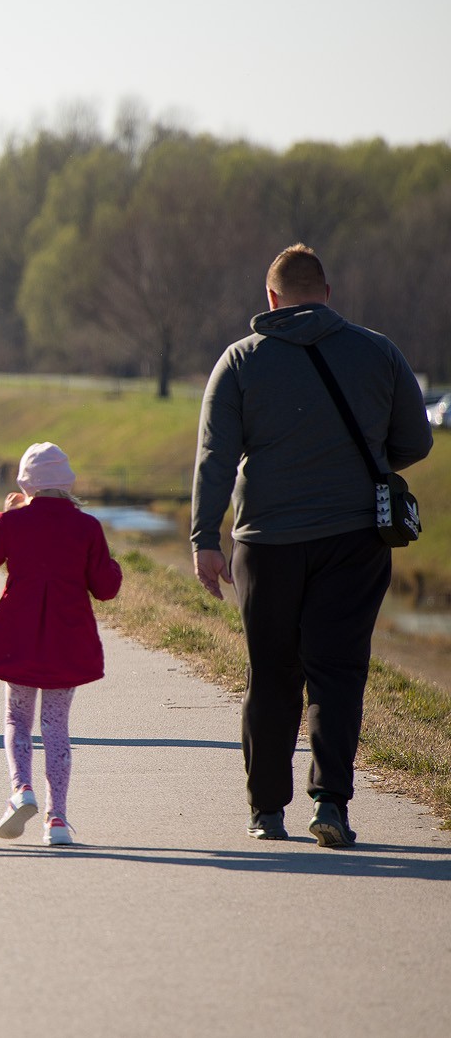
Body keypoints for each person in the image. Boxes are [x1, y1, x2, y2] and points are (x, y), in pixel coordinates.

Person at [191, 243, 432, 847]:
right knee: (338, 672)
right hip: (354, 539)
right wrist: (364, 462)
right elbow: (416, 441)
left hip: (266, 541)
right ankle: (331, 805)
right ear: (326, 294)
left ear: (270, 298)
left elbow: (215, 458)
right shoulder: (379, 352)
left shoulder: (240, 360)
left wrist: (204, 538)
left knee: (271, 672)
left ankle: (267, 811)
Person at [0, 443, 122, 848]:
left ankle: (21, 789)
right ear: (67, 483)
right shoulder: (86, 527)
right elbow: (105, 588)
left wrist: (1, 516)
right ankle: (57, 820)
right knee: (56, 727)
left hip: (17, 637)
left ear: (26, 484)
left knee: (17, 718)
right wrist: (115, 567)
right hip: (66, 640)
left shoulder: (13, 522)